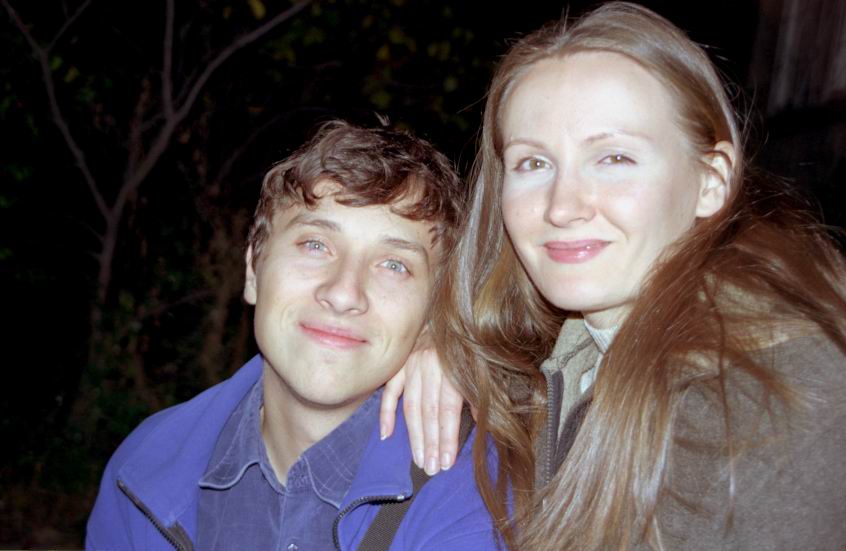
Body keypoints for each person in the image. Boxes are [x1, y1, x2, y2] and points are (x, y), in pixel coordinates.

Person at [382, 2, 846, 549]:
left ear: (712, 181)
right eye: (534, 163)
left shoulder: (774, 399)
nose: (563, 206)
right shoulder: (577, 355)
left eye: (614, 159)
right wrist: (445, 344)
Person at [86, 121, 501, 551]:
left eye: (394, 265)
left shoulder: (477, 495)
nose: (343, 293)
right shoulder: (143, 471)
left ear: (434, 313)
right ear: (253, 270)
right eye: (315, 245)